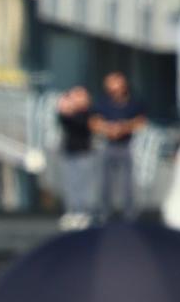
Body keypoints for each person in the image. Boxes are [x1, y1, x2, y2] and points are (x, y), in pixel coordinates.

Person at [89, 72, 145, 222]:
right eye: (111, 89)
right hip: (108, 144)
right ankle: (104, 212)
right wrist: (108, 128)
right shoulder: (102, 103)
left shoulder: (133, 102)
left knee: (128, 182)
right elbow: (94, 122)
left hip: (128, 145)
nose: (114, 91)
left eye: (117, 88)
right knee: (104, 181)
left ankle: (129, 213)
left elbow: (141, 121)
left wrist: (124, 127)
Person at [54, 86, 96, 229]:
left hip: (84, 152)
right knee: (70, 184)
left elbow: (81, 124)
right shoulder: (68, 115)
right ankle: (72, 211)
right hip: (69, 151)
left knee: (83, 184)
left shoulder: (88, 113)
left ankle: (83, 212)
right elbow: (63, 121)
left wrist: (69, 110)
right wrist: (63, 108)